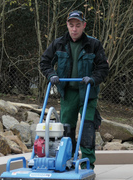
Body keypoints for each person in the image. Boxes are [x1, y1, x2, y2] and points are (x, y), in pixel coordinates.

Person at [40, 10, 109, 169]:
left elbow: (103, 68)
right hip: (68, 93)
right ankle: (67, 158)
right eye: (71, 25)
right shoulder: (59, 43)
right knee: (67, 128)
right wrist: (51, 75)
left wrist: (93, 79)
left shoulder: (93, 44)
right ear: (67, 25)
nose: (74, 29)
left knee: (87, 126)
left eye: (78, 25)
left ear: (84, 25)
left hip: (88, 93)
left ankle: (87, 163)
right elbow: (45, 62)